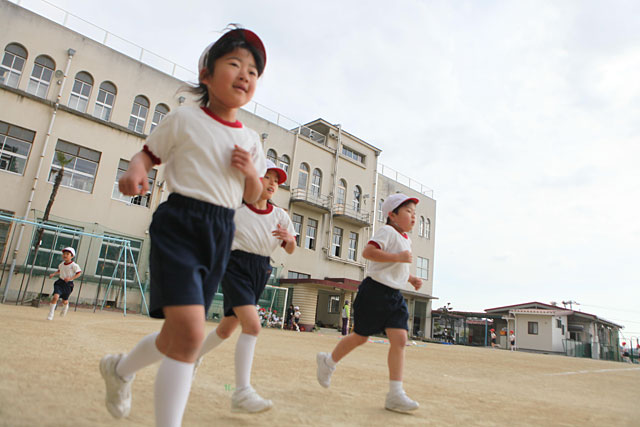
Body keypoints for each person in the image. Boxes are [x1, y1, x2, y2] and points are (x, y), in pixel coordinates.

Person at [98, 27, 268, 427]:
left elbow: (254, 195)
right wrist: (135, 171)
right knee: (191, 335)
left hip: (220, 232)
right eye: (235, 64)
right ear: (206, 74)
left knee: (175, 337)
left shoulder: (251, 140)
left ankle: (119, 370)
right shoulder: (184, 118)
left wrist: (249, 173)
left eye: (253, 71)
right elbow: (147, 155)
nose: (245, 75)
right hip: (180, 224)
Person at [194, 159, 296, 413]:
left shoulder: (280, 215)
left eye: (276, 180)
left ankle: (194, 356)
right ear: (252, 178)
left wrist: (288, 239)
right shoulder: (235, 209)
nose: (272, 183)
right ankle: (241, 392)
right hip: (235, 266)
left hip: (261, 269)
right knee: (252, 325)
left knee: (227, 328)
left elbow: (291, 249)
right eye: (267, 177)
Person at [316, 193, 423, 413]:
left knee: (400, 339)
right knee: (360, 337)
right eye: (408, 211)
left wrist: (410, 278)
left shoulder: (406, 239)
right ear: (392, 215)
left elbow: (397, 268)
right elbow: (368, 252)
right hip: (374, 292)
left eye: (415, 213)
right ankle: (328, 362)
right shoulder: (387, 231)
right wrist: (398, 258)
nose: (414, 216)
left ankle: (395, 394)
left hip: (394, 296)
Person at [46, 247, 82, 320]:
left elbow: (79, 273)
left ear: (72, 256)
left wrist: (70, 278)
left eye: (67, 254)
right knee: (55, 297)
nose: (65, 255)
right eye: (64, 254)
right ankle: (51, 314)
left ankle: (65, 307)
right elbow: (60, 270)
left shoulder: (74, 265)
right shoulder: (61, 264)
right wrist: (53, 274)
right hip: (60, 282)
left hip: (68, 284)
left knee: (64, 301)